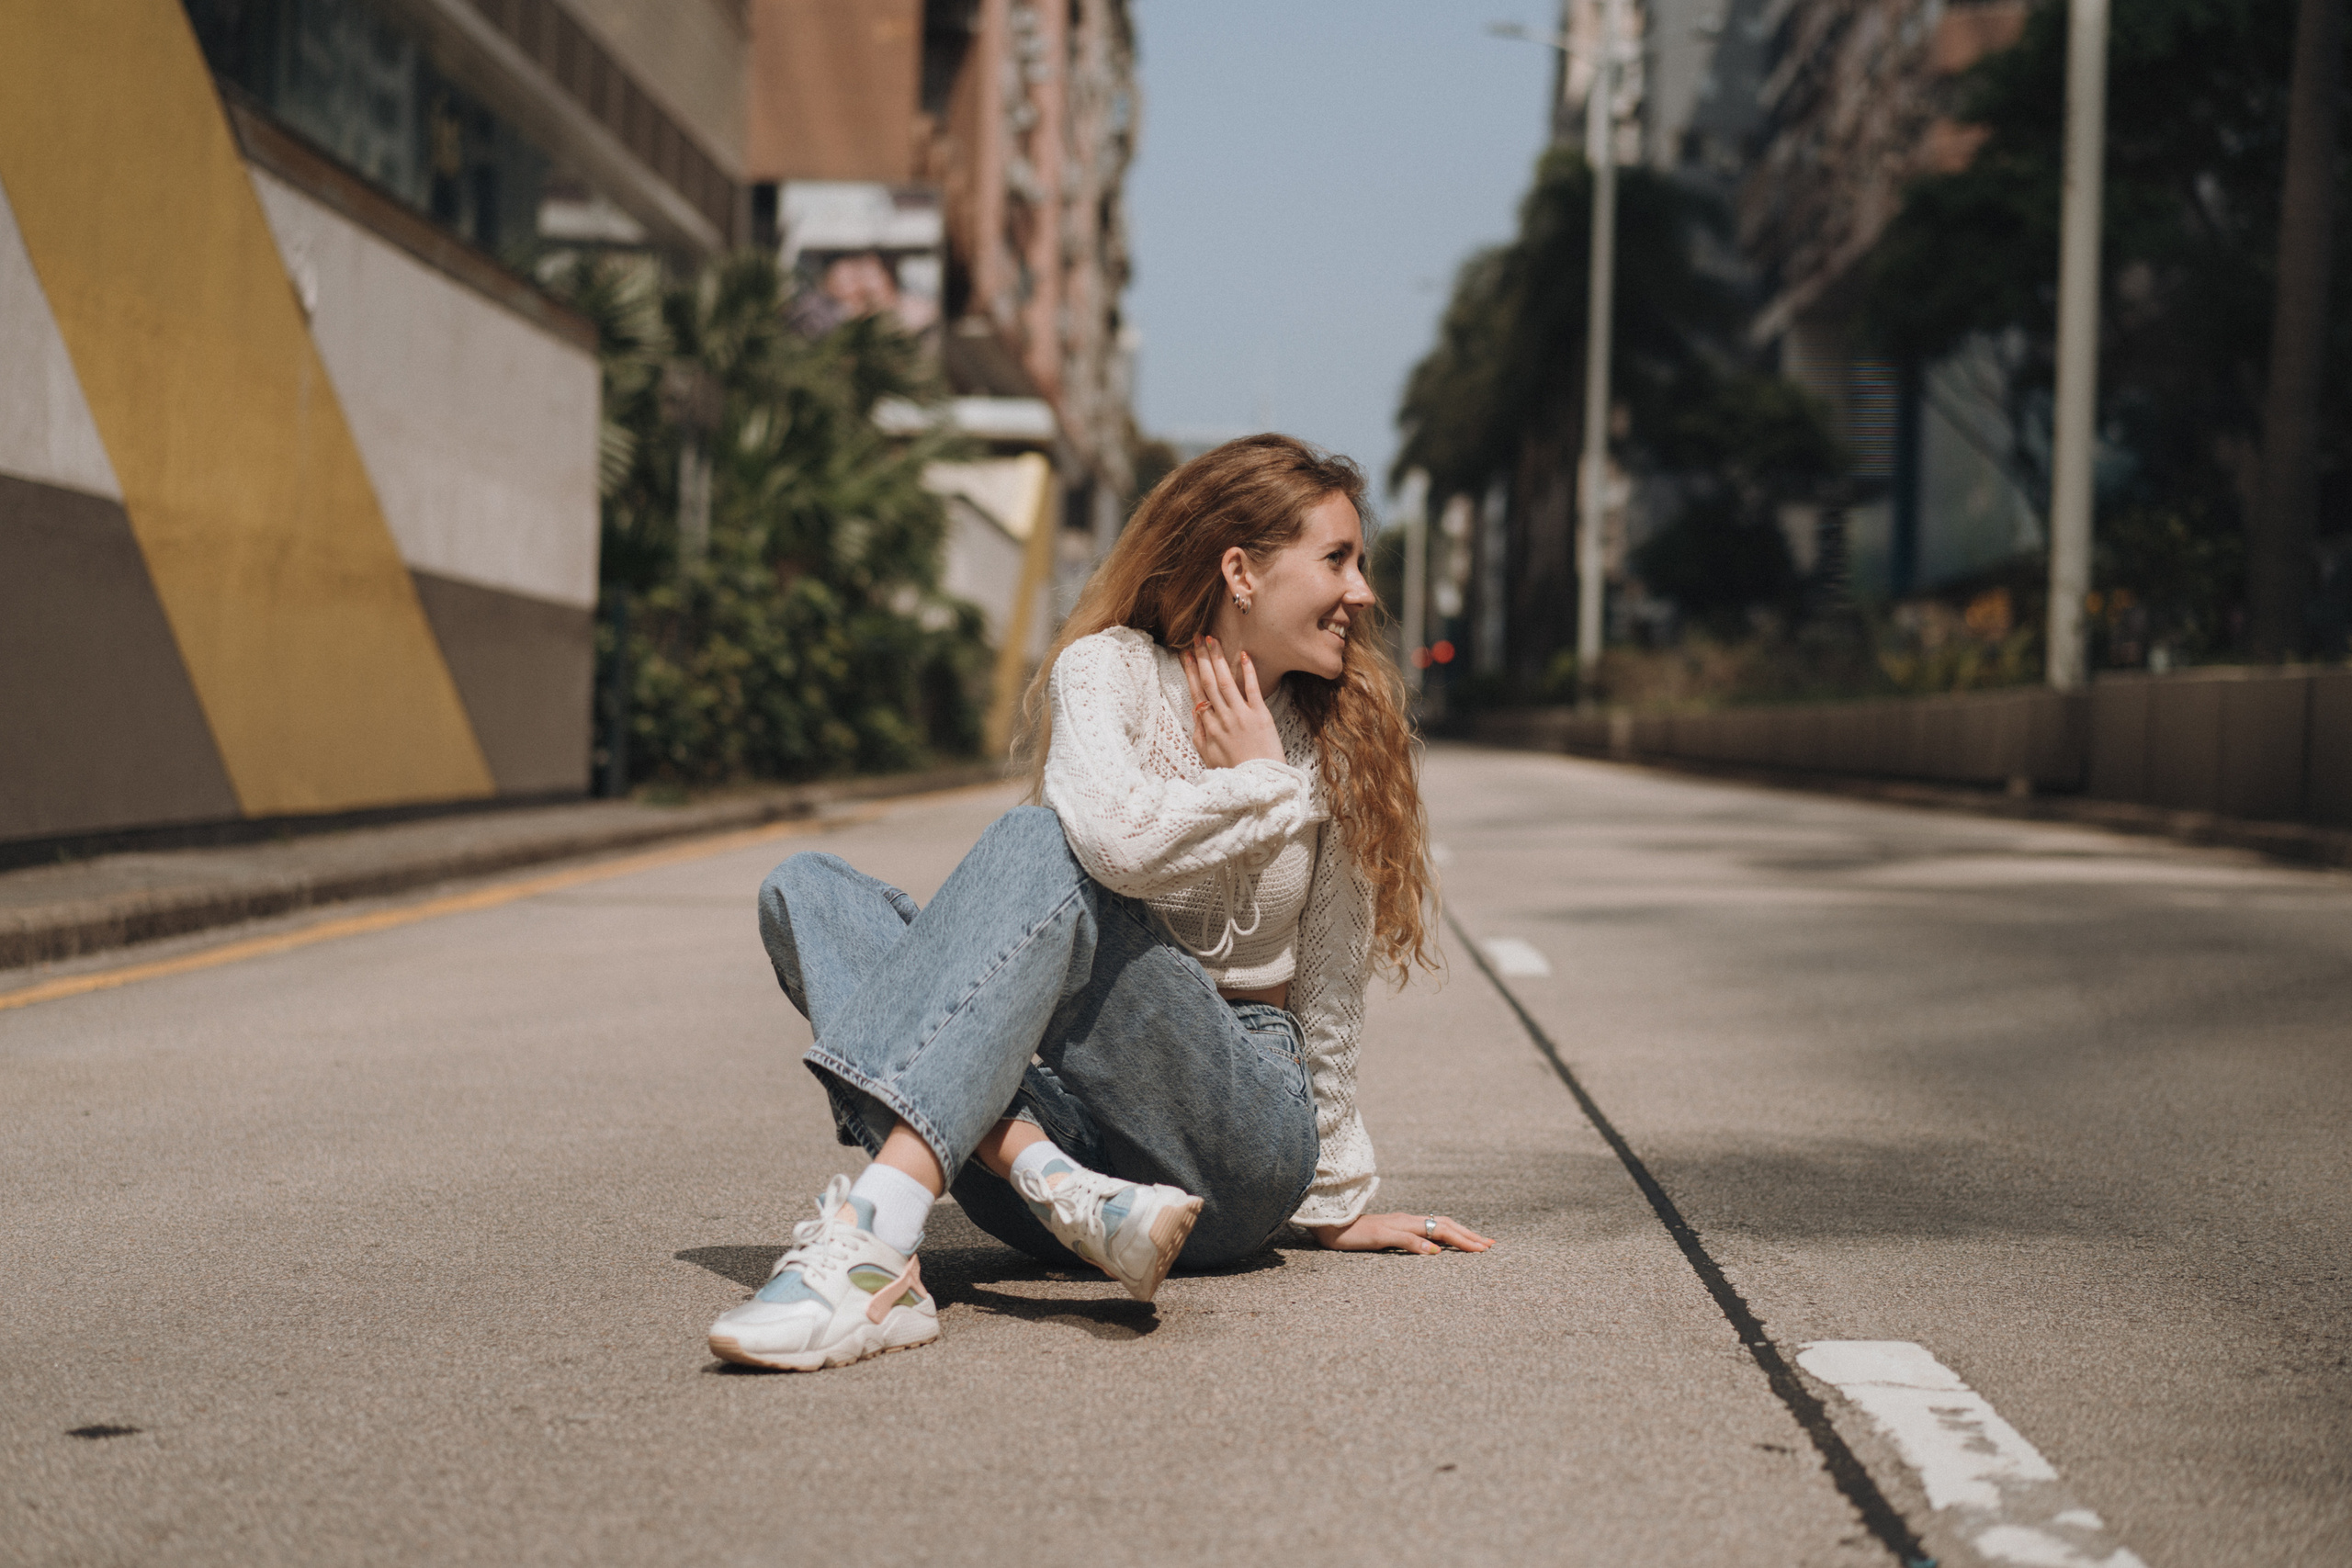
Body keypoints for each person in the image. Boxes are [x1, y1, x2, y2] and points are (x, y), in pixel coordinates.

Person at [708, 434, 1495, 1371]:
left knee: (1034, 841)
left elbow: (1326, 988)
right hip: (1075, 1176)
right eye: (1338, 559)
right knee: (809, 889)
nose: (1361, 592)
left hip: (1234, 1145)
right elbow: (1114, 843)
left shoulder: (1339, 737)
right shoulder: (1107, 672)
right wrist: (1254, 787)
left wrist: (1336, 1203)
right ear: (1239, 570)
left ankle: (880, 1242)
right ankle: (1052, 1180)